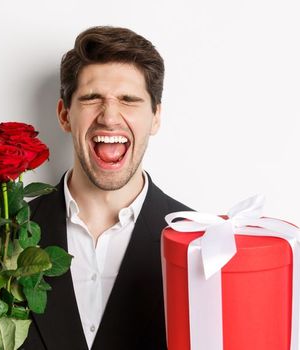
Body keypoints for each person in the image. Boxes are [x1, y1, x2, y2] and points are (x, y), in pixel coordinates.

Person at [21, 26, 193, 350]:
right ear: (64, 115)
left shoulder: (199, 242)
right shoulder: (5, 234)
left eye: (129, 100)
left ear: (155, 117)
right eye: (91, 98)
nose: (110, 117)